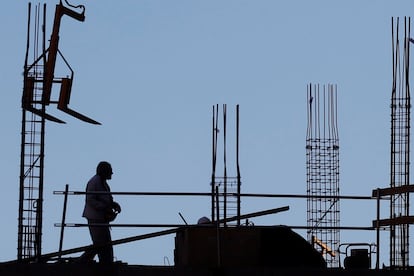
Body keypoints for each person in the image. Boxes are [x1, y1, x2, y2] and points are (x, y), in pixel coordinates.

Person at [79, 161, 121, 263]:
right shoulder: (94, 182)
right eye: (110, 171)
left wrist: (112, 204)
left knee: (104, 243)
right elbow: (90, 199)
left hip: (100, 218)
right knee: (100, 243)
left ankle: (105, 261)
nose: (112, 173)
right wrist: (105, 207)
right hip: (95, 218)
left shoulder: (101, 182)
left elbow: (105, 199)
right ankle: (84, 260)